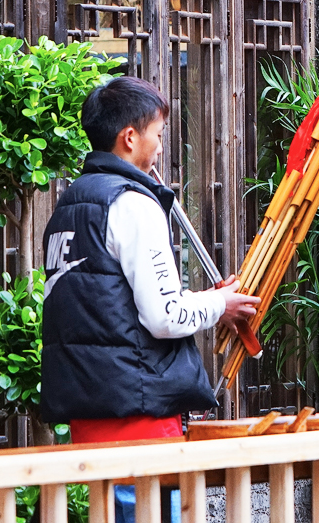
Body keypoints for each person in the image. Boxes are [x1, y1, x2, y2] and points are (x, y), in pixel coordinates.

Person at [41, 76, 259, 443]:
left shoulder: (69, 204)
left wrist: (209, 301)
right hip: (138, 412)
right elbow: (164, 316)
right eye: (158, 134)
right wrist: (220, 304)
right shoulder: (132, 204)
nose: (160, 147)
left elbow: (117, 307)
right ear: (130, 137)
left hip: (89, 410)